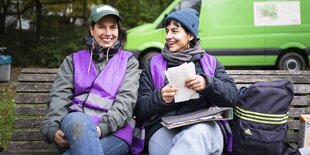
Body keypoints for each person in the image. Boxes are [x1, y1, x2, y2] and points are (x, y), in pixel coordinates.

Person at [134, 8, 238, 155]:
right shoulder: (152, 64)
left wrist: (208, 84)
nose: (168, 36)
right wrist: (160, 98)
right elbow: (140, 109)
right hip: (164, 127)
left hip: (205, 126)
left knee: (195, 136)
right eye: (167, 31)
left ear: (190, 35)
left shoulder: (210, 63)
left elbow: (233, 97)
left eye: (175, 31)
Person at [40, 5, 139, 155]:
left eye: (113, 27)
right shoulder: (73, 60)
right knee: (79, 121)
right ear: (92, 30)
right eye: (101, 27)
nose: (108, 33)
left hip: (114, 132)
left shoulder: (129, 62)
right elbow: (59, 98)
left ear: (118, 31)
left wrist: (101, 129)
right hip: (75, 127)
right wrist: (53, 130)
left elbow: (126, 102)